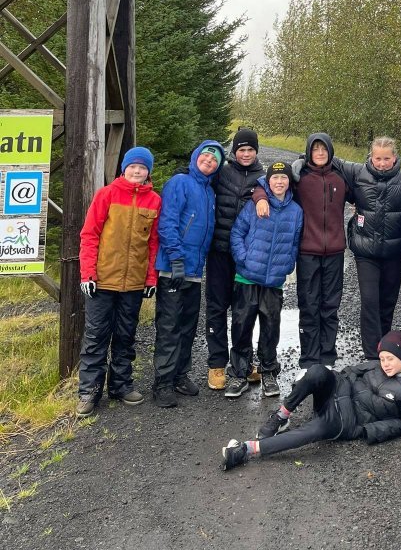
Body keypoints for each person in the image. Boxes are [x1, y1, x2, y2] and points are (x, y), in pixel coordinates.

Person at [220, 330, 401, 469]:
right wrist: (341, 381)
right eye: (382, 358)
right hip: (338, 390)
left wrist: (368, 431)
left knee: (312, 430)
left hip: (346, 419)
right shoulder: (375, 365)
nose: (385, 364)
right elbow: (350, 371)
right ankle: (281, 416)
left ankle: (246, 450)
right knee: (317, 371)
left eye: (390, 359)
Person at [76, 146, 161, 417]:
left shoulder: (154, 201)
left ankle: (121, 385)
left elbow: (153, 243)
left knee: (126, 336)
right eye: (133, 166)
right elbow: (89, 234)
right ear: (124, 169)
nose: (137, 171)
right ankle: (89, 391)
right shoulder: (107, 194)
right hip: (102, 281)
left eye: (142, 167)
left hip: (133, 283)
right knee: (96, 337)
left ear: (148, 172)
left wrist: (151, 278)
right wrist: (88, 273)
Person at [153, 141, 224, 407]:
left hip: (194, 270)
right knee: (169, 327)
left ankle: (180, 375)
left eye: (215, 160)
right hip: (174, 267)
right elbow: (168, 222)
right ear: (196, 157)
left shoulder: (209, 191)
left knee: (187, 326)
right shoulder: (180, 182)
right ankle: (162, 383)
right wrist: (175, 258)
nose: (209, 161)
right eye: (206, 156)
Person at [330, 137, 401, 360]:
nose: (382, 163)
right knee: (369, 301)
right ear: (371, 157)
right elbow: (330, 159)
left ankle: (385, 348)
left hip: (394, 251)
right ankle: (371, 355)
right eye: (378, 158)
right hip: (365, 251)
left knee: (388, 301)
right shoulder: (358, 172)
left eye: (386, 158)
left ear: (394, 158)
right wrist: (300, 162)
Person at [227, 160, 303, 399]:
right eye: (275, 178)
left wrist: (287, 265)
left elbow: (294, 243)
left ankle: (268, 371)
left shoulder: (296, 211)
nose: (279, 182)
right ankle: (239, 373)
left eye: (283, 178)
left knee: (271, 327)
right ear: (268, 181)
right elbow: (237, 233)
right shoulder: (255, 204)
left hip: (274, 281)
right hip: (247, 277)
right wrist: (243, 259)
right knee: (241, 326)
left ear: (289, 182)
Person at [205, 127, 265, 391]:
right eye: (242, 150)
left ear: (256, 151)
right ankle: (216, 363)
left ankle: (243, 362)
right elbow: (200, 177)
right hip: (219, 250)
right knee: (217, 307)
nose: (246, 154)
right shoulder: (222, 172)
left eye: (250, 149)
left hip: (247, 255)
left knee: (245, 311)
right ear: (234, 151)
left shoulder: (263, 177)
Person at [291, 134, 349, 376]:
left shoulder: (341, 177)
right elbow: (271, 185)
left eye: (324, 148)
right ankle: (308, 360)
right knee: (309, 305)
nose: (320, 152)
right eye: (315, 149)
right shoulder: (299, 178)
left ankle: (327, 357)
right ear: (309, 152)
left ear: (330, 151)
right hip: (307, 252)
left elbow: (370, 186)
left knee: (330, 307)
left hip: (335, 251)